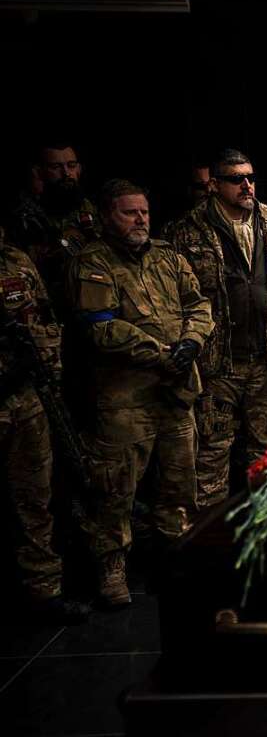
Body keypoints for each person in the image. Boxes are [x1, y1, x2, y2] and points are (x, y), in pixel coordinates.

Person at [68, 179, 213, 606]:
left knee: (180, 484)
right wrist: (163, 353)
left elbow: (199, 305)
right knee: (115, 489)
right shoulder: (92, 261)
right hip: (124, 397)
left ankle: (174, 561)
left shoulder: (168, 256)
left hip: (176, 391)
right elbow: (101, 327)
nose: (140, 219)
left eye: (144, 212)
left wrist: (193, 341)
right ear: (106, 215)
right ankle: (112, 572)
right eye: (130, 212)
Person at [164, 149, 267, 508]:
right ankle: (211, 539)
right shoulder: (186, 231)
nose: (246, 185)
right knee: (212, 453)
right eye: (235, 179)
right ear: (214, 185)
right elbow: (173, 294)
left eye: (250, 177)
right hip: (218, 363)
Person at [1, 226, 89, 623]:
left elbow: (46, 319)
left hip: (26, 393)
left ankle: (43, 592)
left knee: (34, 496)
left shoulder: (16, 260)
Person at [8, 143, 100, 315]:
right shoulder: (24, 215)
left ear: (79, 169)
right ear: (38, 172)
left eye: (71, 166)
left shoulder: (91, 208)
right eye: (56, 167)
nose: (66, 173)